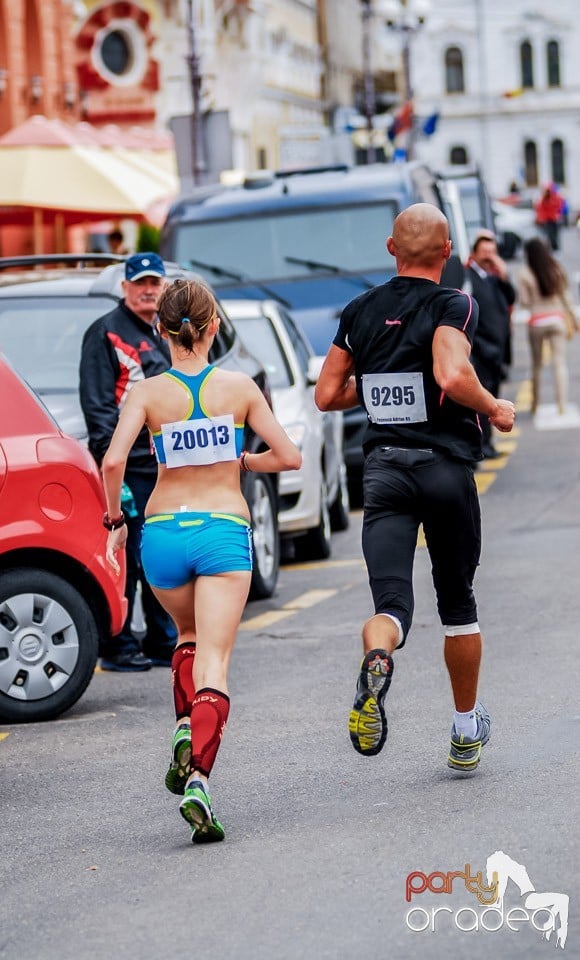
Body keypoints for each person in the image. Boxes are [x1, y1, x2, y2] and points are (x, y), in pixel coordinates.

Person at [314, 203, 515, 773]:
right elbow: (452, 374)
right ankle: (464, 730)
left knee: (392, 606)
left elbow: (326, 395)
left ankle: (378, 657)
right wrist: (494, 407)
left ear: (390, 249)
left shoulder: (359, 311)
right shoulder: (454, 303)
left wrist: (378, 385)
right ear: (448, 252)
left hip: (385, 472)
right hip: (445, 469)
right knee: (458, 606)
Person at [101, 277, 301, 842]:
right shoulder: (238, 387)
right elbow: (290, 456)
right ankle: (199, 782)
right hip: (222, 530)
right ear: (214, 326)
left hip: (162, 534)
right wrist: (243, 459)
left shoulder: (145, 393)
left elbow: (112, 465)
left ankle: (185, 726)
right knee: (215, 662)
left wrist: (114, 522)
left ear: (160, 330)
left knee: (185, 635)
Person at [79, 251, 177, 672]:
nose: (148, 291)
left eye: (155, 283)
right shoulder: (105, 333)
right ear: (124, 288)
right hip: (126, 463)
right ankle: (118, 644)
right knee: (127, 555)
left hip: (160, 461)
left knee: (156, 552)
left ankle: (161, 640)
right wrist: (108, 466)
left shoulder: (164, 329)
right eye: (140, 284)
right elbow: (98, 406)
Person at [464, 232, 515, 458]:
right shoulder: (469, 278)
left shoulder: (493, 278)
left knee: (493, 396)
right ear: (474, 254)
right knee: (482, 401)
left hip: (497, 350)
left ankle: (489, 443)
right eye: (484, 253)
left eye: (492, 253)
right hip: (481, 349)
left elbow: (511, 298)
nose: (488, 257)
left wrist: (503, 274)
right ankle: (481, 445)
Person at [518, 236, 578, 416]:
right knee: (559, 363)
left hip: (537, 321)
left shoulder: (525, 273)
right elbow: (565, 296)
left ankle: (535, 404)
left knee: (536, 365)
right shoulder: (556, 269)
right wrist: (573, 318)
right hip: (557, 319)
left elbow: (525, 301)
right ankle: (561, 405)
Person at [534, 183, 564, 252]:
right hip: (548, 219)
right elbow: (540, 208)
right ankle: (552, 246)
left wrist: (558, 213)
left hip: (554, 218)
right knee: (550, 233)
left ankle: (555, 246)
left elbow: (559, 205)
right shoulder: (544, 199)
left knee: (555, 233)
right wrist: (541, 218)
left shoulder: (554, 198)